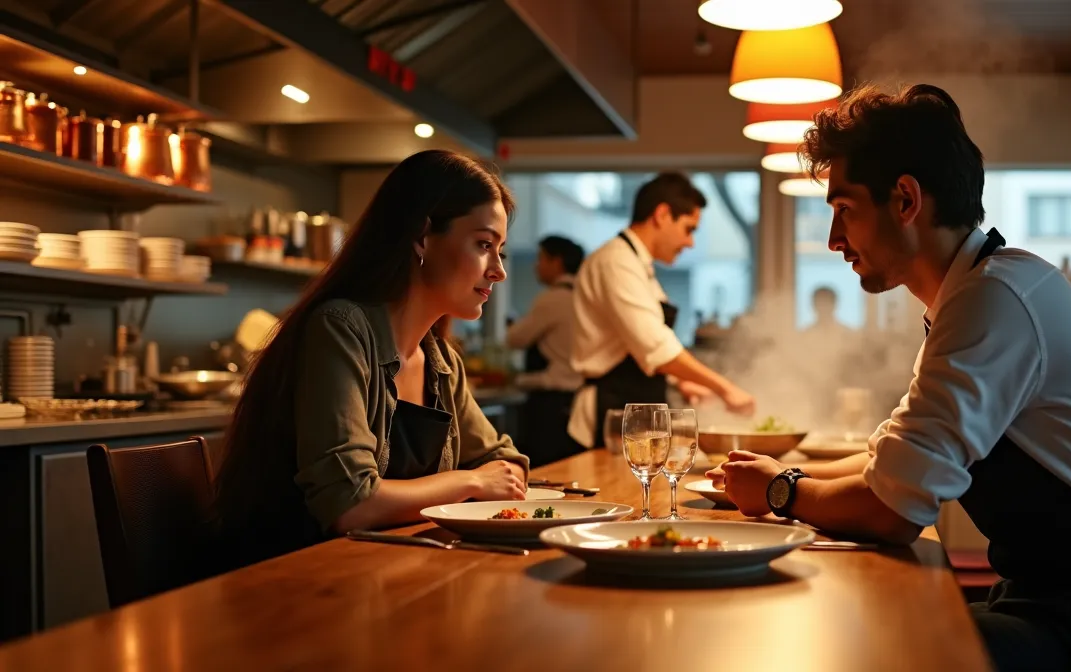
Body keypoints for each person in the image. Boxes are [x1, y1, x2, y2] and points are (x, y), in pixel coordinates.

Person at [709, 84, 1071, 671]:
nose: (833, 239)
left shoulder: (995, 298)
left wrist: (780, 491)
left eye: (843, 210)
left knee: (860, 645)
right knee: (859, 620)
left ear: (905, 200)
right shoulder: (973, 293)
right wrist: (773, 476)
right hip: (1060, 606)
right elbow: (888, 460)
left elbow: (894, 509)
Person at [213, 150, 530, 568]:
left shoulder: (440, 360)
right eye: (484, 245)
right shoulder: (340, 328)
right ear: (422, 236)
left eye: (500, 251)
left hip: (383, 572)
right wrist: (470, 481)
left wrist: (487, 477)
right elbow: (349, 504)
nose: (498, 271)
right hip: (289, 583)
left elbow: (505, 464)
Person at [568, 172, 756, 450]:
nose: (690, 242)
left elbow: (635, 347)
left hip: (633, 407)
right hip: (611, 411)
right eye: (689, 229)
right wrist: (725, 388)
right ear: (663, 214)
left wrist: (683, 382)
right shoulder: (615, 262)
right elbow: (655, 346)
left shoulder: (637, 265)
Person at [505, 235, 585, 465]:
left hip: (552, 404)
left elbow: (515, 338)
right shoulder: (584, 296)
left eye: (541, 258)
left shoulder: (553, 298)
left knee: (544, 473)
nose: (535, 265)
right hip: (578, 402)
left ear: (557, 261)